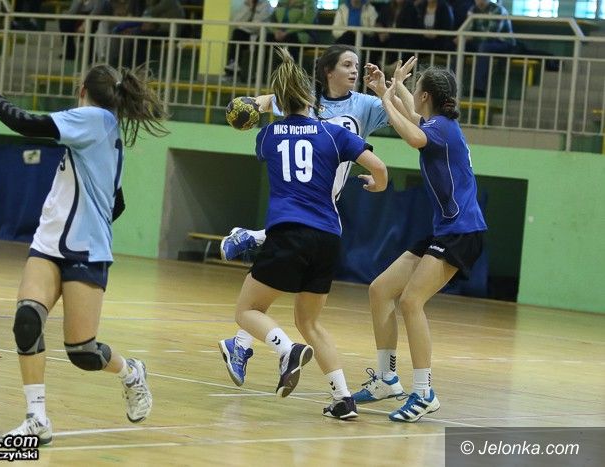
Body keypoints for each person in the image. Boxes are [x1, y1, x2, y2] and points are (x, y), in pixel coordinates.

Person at [0, 63, 169, 442]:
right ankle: (36, 418)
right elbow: (117, 202)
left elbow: (28, 123)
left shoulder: (94, 119)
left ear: (82, 90)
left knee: (83, 352)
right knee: (27, 320)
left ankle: (131, 373)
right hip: (49, 243)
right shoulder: (104, 131)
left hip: (86, 251)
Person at [218, 44, 391, 394]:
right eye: (347, 64)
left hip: (293, 226)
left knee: (250, 307)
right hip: (328, 232)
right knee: (308, 321)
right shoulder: (332, 132)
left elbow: (276, 116)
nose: (354, 70)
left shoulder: (268, 135)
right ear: (314, 94)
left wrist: (254, 107)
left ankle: (282, 346)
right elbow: (380, 165)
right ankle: (342, 397)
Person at [358, 59, 487, 422]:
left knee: (411, 302)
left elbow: (413, 134)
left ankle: (424, 392)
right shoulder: (437, 124)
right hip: (445, 229)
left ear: (426, 95)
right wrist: (391, 87)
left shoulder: (441, 128)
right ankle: (387, 380)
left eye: (416, 88)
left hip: (462, 231)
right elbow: (414, 119)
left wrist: (386, 98)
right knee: (380, 290)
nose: (412, 94)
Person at [463, 0, 516, 97]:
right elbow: (467, 30)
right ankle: (452, 87)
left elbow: (491, 35)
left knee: (484, 47)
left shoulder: (497, 10)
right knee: (461, 46)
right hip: (481, 42)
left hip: (503, 42)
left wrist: (471, 37)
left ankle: (479, 89)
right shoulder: (473, 9)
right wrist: (462, 39)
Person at [223, 0, 274, 78]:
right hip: (245, 32)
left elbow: (257, 25)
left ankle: (255, 73)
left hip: (260, 34)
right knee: (237, 33)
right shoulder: (246, 4)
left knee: (244, 34)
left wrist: (242, 26)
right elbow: (236, 20)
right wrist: (248, 8)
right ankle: (232, 64)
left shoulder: (266, 5)